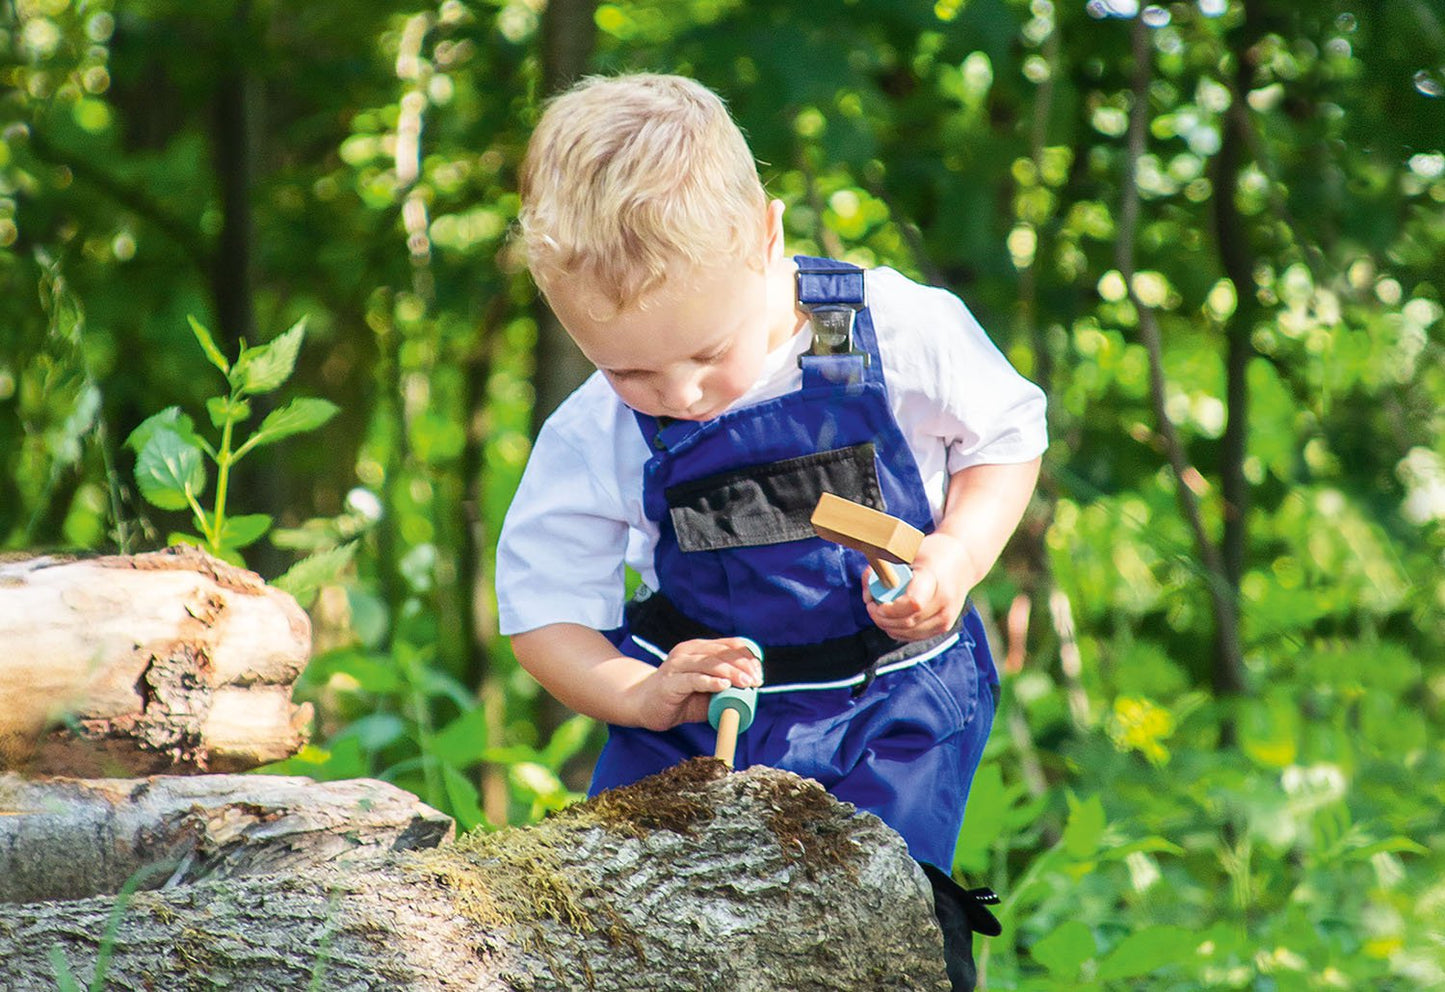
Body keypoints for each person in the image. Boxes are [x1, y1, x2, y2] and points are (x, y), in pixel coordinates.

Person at [496, 72, 1044, 989]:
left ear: (767, 238)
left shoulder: (890, 330)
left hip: (887, 699)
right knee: (619, 929)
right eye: (629, 370)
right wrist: (636, 694)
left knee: (887, 925)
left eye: (707, 356)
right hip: (697, 708)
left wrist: (954, 554)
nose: (676, 397)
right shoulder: (594, 430)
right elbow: (542, 613)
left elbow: (1005, 438)